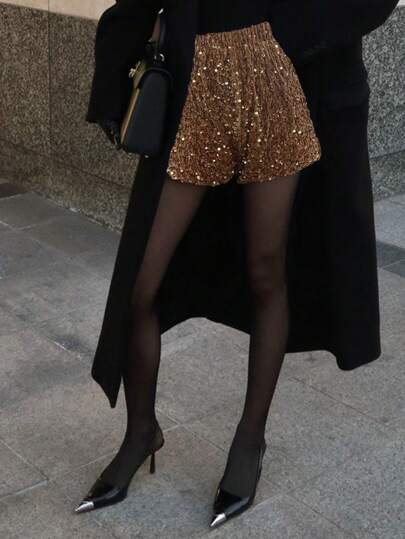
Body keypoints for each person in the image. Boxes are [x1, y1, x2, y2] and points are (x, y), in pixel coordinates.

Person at [74, 0, 399, 529]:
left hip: (280, 85)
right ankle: (141, 433)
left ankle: (249, 441)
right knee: (142, 284)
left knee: (267, 270)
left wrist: (280, 38)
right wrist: (115, 72)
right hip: (196, 84)